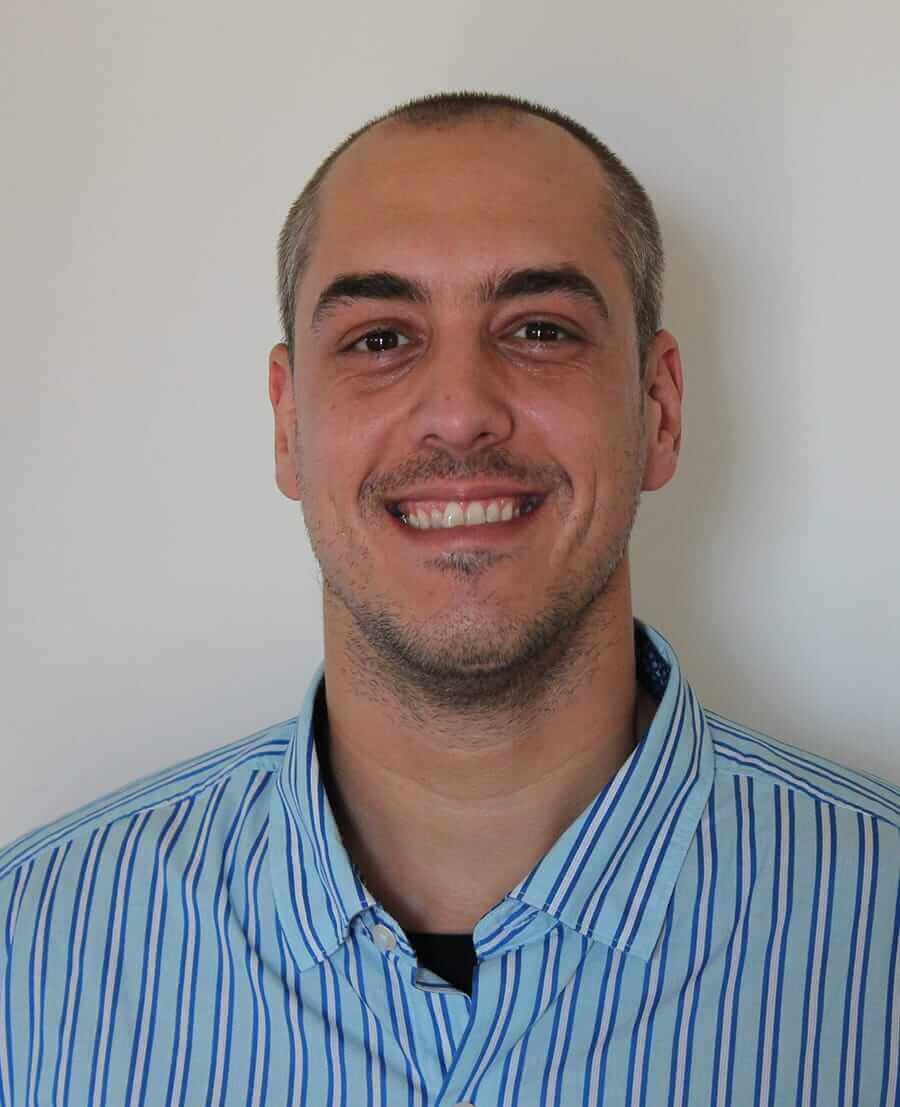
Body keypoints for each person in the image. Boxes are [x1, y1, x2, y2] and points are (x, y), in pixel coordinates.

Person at [1, 91, 897, 1107]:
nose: (462, 411)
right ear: (288, 426)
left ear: (658, 408)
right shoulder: (29, 958)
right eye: (381, 339)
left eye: (540, 329)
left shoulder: (880, 927)